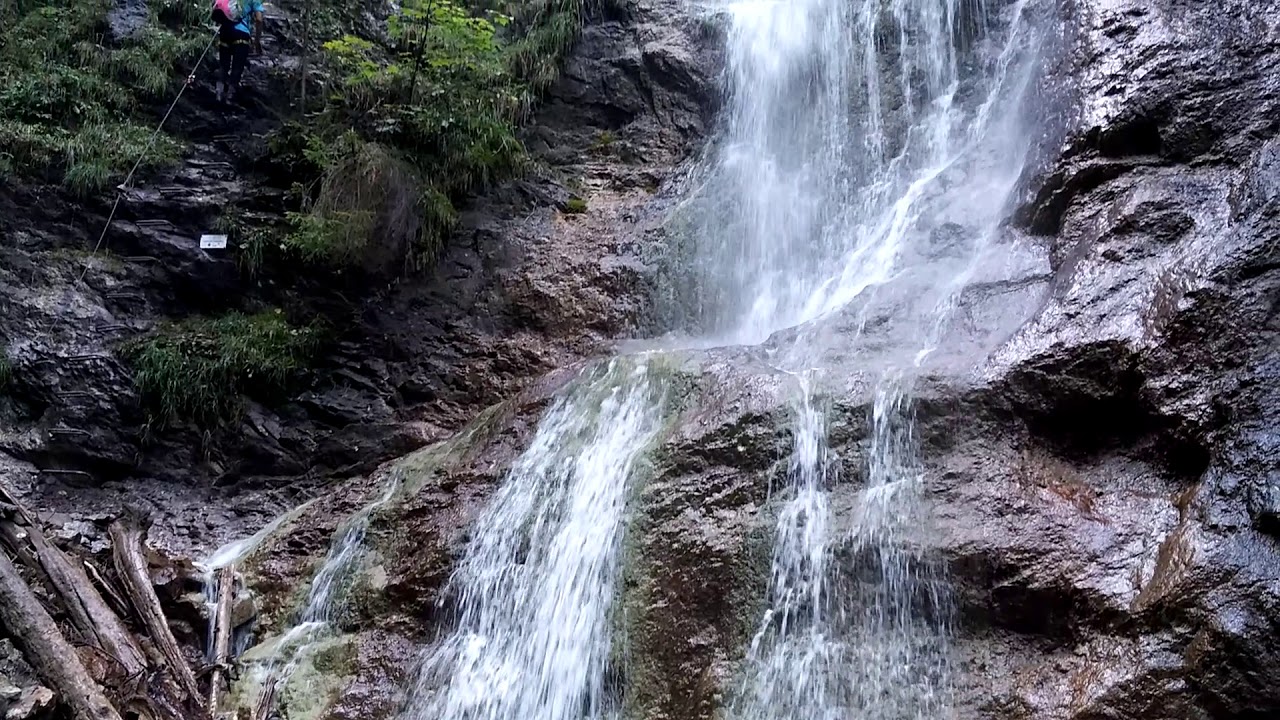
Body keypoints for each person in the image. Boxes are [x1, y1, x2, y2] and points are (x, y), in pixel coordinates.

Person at [211, 0, 264, 103]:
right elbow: (259, 19)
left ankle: (218, 92)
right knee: (237, 66)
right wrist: (257, 41)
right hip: (241, 33)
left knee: (224, 65)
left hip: (225, 30)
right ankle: (230, 97)